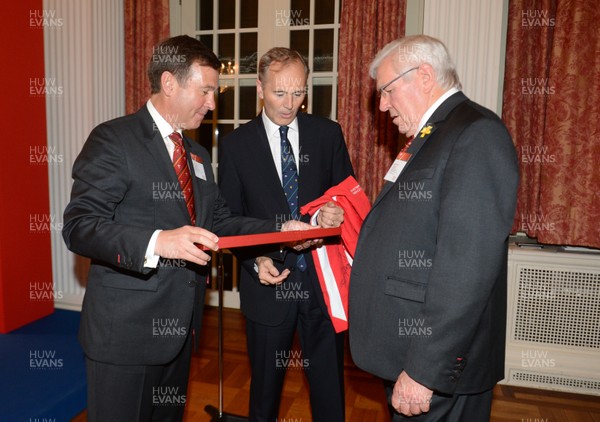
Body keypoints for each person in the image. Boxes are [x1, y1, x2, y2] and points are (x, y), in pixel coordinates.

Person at [62, 35, 311, 421]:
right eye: (207, 90)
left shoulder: (195, 153)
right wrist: (159, 242)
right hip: (124, 337)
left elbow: (220, 220)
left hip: (179, 333)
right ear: (169, 83)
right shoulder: (114, 140)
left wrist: (281, 229)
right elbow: (80, 226)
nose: (213, 103)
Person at [348, 35, 519, 420]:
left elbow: (466, 269)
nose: (382, 104)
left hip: (433, 367)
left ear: (424, 76)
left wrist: (425, 370)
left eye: (388, 91)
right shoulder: (433, 134)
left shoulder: (476, 134)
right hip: (410, 351)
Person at [218, 47, 354, 421]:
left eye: (299, 92)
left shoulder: (328, 134)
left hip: (323, 284)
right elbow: (227, 218)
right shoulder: (235, 145)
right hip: (268, 286)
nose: (290, 103)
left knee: (329, 389)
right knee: (264, 394)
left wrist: (337, 211)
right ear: (260, 87)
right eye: (280, 92)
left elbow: (346, 197)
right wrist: (254, 259)